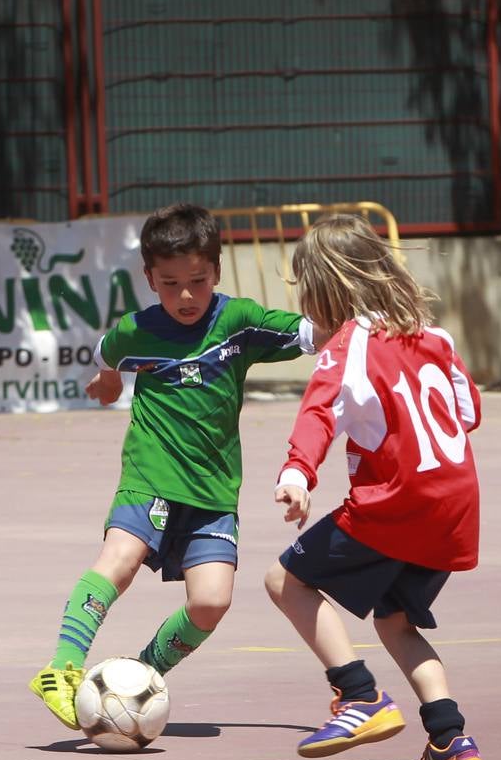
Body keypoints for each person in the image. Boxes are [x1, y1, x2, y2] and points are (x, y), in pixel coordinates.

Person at [28, 203, 318, 729]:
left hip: (213, 492)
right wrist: (109, 378)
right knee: (118, 560)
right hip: (151, 474)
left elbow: (308, 334)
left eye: (198, 281)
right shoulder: (136, 331)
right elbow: (107, 351)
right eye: (170, 283)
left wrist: (364, 325)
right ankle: (62, 669)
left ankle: (141, 673)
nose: (185, 295)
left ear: (217, 271)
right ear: (149, 278)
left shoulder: (238, 322)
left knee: (211, 602)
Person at [264, 214, 484, 760]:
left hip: (397, 503)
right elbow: (469, 413)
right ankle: (451, 741)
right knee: (394, 619)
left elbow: (318, 412)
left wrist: (297, 473)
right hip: (456, 507)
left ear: (323, 289)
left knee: (284, 581)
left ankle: (358, 694)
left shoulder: (348, 343)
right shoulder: (435, 337)